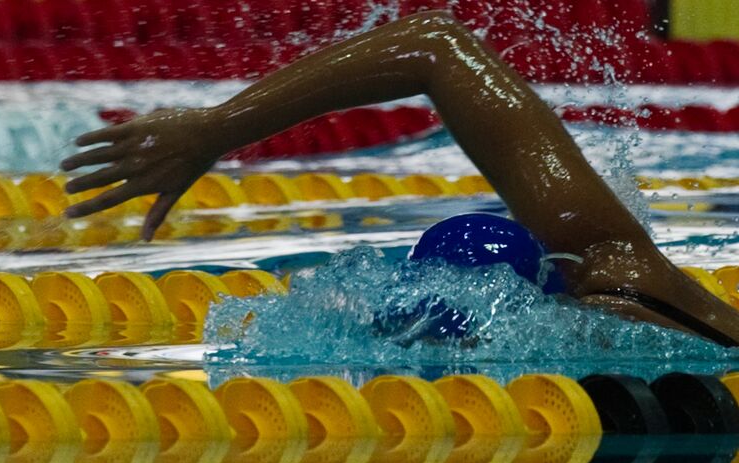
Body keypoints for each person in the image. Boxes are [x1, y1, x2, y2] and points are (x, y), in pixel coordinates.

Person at [60, 10, 739, 347]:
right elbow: (435, 44)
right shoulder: (612, 267)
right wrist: (216, 128)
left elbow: (434, 43)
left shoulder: (612, 274)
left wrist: (216, 128)